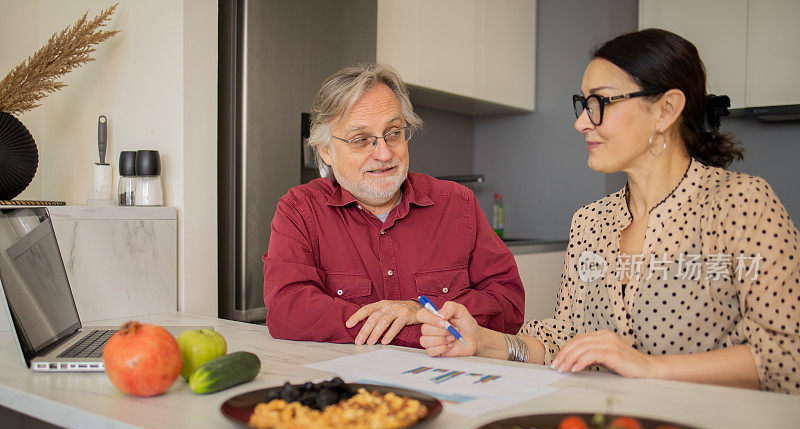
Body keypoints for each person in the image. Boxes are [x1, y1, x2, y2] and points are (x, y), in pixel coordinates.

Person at [417, 28, 800, 394]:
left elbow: (788, 357)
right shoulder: (590, 221)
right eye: (583, 104)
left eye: (599, 102)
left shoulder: (741, 204)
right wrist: (482, 341)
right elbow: (563, 339)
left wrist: (649, 368)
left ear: (666, 109)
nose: (581, 122)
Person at [263, 63, 524, 348]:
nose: (384, 153)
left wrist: (419, 311)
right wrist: (420, 330)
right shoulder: (299, 210)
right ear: (326, 150)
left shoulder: (458, 203)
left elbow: (508, 303)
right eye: (361, 140)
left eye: (394, 133)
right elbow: (288, 311)